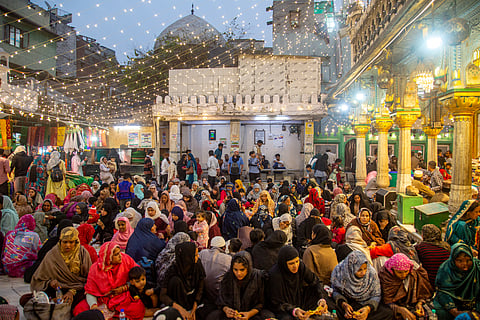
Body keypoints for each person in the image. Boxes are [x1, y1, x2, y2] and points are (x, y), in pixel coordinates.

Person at [75, 242, 144, 319]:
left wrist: (124, 288)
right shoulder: (96, 269)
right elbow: (90, 291)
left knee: (137, 308)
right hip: (101, 299)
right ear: (108, 257)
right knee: (80, 309)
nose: (120, 256)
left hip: (121, 298)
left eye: (119, 253)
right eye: (116, 255)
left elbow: (138, 276)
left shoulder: (126, 260)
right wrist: (93, 305)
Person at [31, 227, 92, 312]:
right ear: (60, 241)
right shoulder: (52, 254)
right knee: (26, 299)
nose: (68, 245)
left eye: (71, 242)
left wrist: (72, 291)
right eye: (65, 242)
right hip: (56, 290)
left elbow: (89, 280)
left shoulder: (83, 254)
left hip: (77, 290)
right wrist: (50, 283)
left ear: (76, 242)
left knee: (83, 300)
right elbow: (39, 279)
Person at [266, 246, 329, 320]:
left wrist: (321, 299)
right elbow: (276, 302)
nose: (295, 266)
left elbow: (315, 281)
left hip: (299, 300)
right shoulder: (274, 275)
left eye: (297, 261)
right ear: (284, 264)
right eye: (291, 263)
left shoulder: (300, 267)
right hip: (283, 308)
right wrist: (294, 310)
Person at [331, 250, 393, 320]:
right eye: (359, 270)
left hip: (365, 303)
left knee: (387, 312)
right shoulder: (340, 271)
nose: (363, 273)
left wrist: (368, 308)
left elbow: (376, 294)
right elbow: (335, 290)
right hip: (348, 303)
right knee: (332, 308)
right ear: (351, 268)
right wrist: (343, 304)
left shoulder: (371, 273)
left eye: (365, 268)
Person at [208, 251, 270, 320]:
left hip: (251, 315)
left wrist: (249, 314)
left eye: (242, 270)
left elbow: (260, 304)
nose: (238, 273)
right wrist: (226, 309)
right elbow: (221, 299)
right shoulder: (228, 277)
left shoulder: (257, 277)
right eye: (235, 270)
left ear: (248, 268)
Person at [159, 242, 206, 320]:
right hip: (177, 302)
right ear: (187, 257)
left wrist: (194, 308)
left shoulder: (197, 265)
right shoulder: (173, 270)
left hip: (192, 300)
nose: (198, 257)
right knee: (175, 281)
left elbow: (200, 288)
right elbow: (163, 295)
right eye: (195, 255)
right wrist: (180, 309)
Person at [379, 253, 433, 320]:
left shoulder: (413, 274)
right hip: (392, 306)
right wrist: (399, 309)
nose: (403, 275)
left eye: (406, 271)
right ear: (392, 270)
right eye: (399, 272)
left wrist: (420, 303)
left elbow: (422, 292)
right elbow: (386, 300)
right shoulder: (386, 277)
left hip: (411, 304)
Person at [433, 243, 480, 320]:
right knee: (441, 313)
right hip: (452, 303)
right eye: (460, 261)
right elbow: (443, 293)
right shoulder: (445, 269)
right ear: (453, 260)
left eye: (468, 260)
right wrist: (454, 311)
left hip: (473, 303)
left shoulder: (477, 268)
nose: (465, 265)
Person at [199, 236, 232, 303]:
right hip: (218, 296)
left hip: (201, 294)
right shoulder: (228, 259)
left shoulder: (202, 253)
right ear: (224, 248)